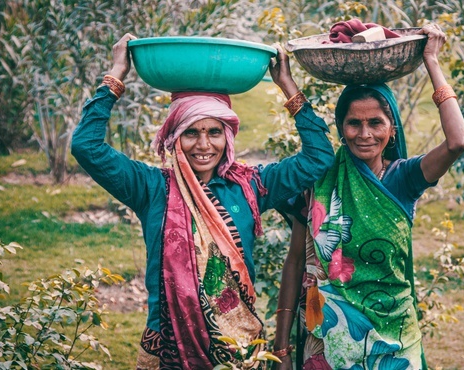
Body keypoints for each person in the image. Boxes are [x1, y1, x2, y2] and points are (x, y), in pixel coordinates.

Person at [71, 33, 335, 369]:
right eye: (191, 132)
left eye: (214, 132)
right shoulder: (152, 188)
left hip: (236, 344)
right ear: (175, 137)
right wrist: (116, 74)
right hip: (169, 347)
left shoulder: (251, 186)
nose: (203, 144)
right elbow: (86, 147)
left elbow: (319, 157)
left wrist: (287, 85)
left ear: (227, 137)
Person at [273, 23, 464, 370]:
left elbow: (458, 143)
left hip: (394, 340)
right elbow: (294, 262)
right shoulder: (320, 178)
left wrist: (432, 62)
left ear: (392, 128)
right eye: (353, 123)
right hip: (328, 344)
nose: (364, 134)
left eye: (376, 123)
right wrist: (282, 343)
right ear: (340, 127)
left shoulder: (404, 177)